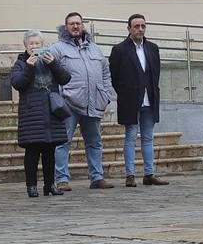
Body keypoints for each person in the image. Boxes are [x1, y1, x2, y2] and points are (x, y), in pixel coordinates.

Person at [49, 12, 114, 190]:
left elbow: (105, 73)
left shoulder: (95, 48)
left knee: (94, 142)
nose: (75, 26)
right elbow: (50, 73)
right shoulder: (57, 48)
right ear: (66, 27)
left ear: (83, 25)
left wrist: (106, 94)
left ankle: (97, 177)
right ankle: (62, 179)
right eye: (71, 24)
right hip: (68, 103)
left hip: (94, 102)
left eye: (78, 23)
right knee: (63, 142)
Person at [109, 14, 170, 187]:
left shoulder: (152, 48)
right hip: (130, 99)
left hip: (149, 98)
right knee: (130, 136)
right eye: (136, 26)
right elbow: (115, 76)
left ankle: (149, 173)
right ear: (129, 29)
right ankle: (130, 174)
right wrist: (124, 93)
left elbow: (155, 72)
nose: (140, 29)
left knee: (148, 137)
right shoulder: (120, 49)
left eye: (143, 26)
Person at [11, 30, 71, 197]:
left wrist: (54, 64)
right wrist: (29, 67)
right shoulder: (21, 63)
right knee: (32, 152)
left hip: (51, 113)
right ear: (25, 46)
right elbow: (18, 84)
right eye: (31, 44)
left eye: (37, 44)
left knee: (49, 151)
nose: (35, 47)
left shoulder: (50, 60)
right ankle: (31, 186)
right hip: (32, 113)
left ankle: (50, 185)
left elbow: (65, 78)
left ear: (42, 46)